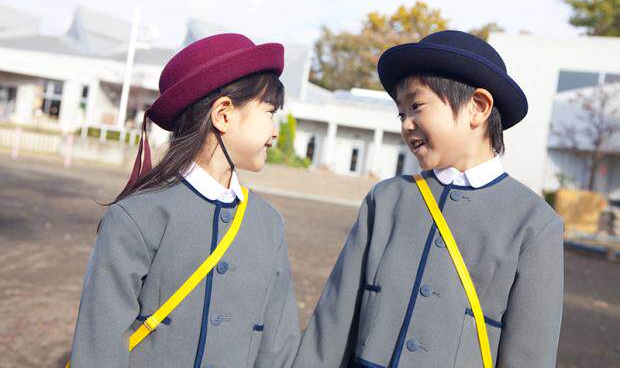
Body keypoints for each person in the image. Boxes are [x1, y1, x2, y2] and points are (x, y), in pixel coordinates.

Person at [293, 30, 564, 367]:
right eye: (401, 113)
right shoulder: (386, 200)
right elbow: (331, 323)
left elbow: (531, 354)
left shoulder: (535, 224)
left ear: (478, 107)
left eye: (416, 106)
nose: (406, 124)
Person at [69, 33, 300, 368]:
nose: (275, 131)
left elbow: (279, 346)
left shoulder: (269, 224)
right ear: (223, 114)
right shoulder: (136, 218)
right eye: (269, 112)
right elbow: (98, 348)